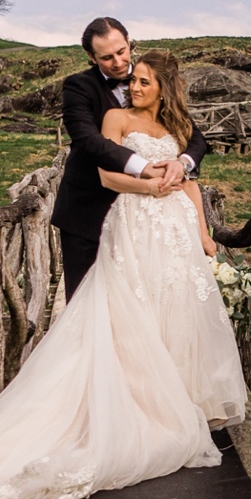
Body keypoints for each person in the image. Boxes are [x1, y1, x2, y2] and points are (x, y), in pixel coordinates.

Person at [0, 49, 247, 499]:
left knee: (177, 307)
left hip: (175, 230)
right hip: (134, 220)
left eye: (143, 82)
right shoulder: (116, 117)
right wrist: (149, 186)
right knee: (131, 307)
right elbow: (107, 175)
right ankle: (140, 402)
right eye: (133, 80)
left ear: (164, 88)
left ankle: (181, 396)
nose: (134, 87)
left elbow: (192, 183)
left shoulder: (178, 128)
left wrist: (204, 233)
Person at [52, 16, 211, 297]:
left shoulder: (153, 81)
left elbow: (194, 137)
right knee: (86, 301)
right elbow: (89, 142)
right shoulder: (78, 87)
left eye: (121, 51)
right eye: (106, 57)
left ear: (129, 42)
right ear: (91, 57)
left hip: (147, 222)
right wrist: (145, 168)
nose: (117, 62)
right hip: (88, 213)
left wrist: (182, 163)